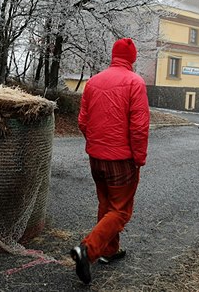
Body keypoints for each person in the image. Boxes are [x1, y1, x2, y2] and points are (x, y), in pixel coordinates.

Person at [70, 38, 150, 284]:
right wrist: (139, 157)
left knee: (106, 204)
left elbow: (82, 121)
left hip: (97, 158)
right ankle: (88, 250)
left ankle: (109, 251)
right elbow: (139, 126)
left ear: (113, 55)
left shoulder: (93, 81)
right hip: (121, 160)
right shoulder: (135, 83)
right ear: (133, 58)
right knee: (121, 211)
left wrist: (95, 143)